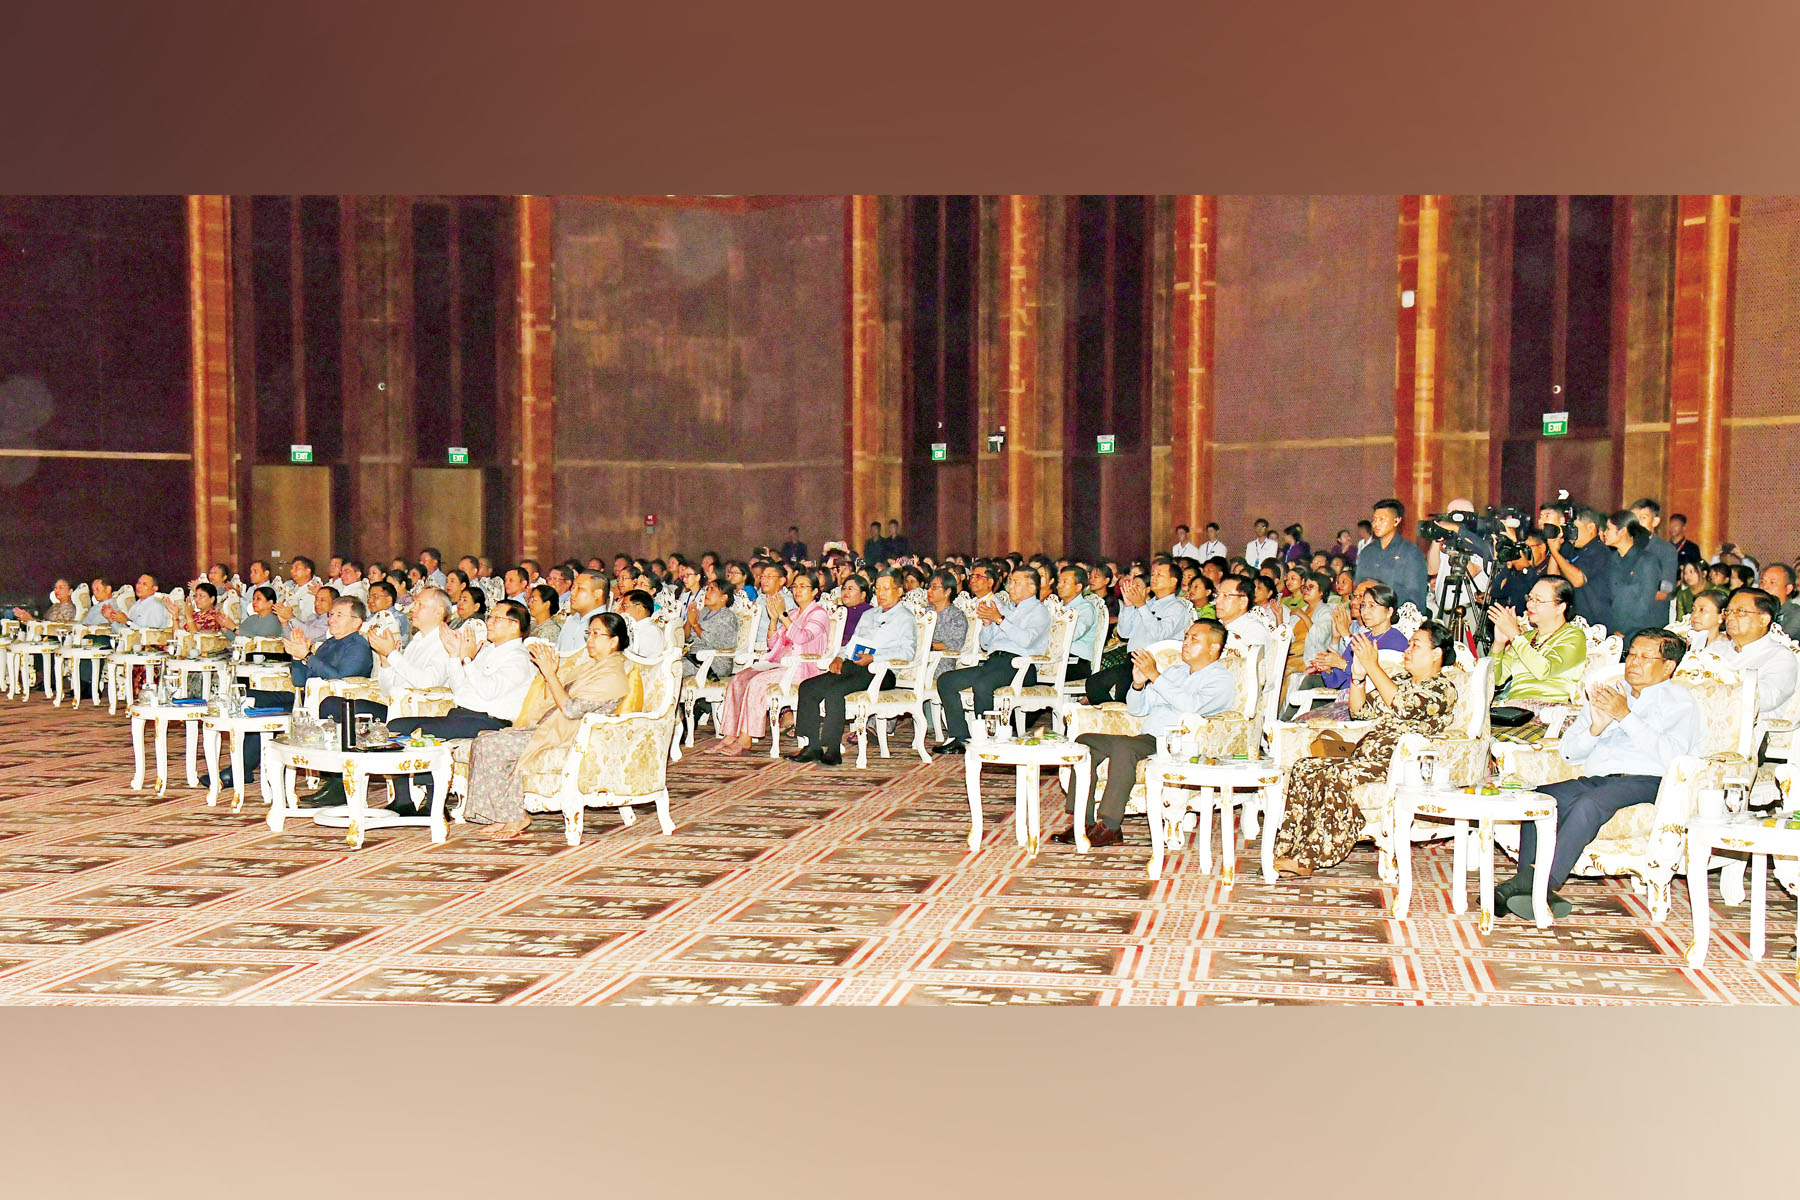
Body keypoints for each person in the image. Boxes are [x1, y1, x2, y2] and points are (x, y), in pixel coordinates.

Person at [1493, 629, 1701, 920]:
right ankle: (1530, 890)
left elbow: (1673, 757)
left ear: (1668, 666)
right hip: (1598, 780)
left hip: (1649, 781)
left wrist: (1626, 716)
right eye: (1632, 654)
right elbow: (1568, 752)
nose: (1634, 662)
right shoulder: (1609, 693)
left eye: (1645, 657)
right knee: (1537, 800)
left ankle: (1535, 885)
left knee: (1589, 805)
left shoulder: (1679, 701)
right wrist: (1596, 728)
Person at [1269, 621, 1461, 877]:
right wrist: (1358, 677)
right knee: (1305, 767)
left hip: (1399, 764)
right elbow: (1359, 711)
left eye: (1415, 645)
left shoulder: (1442, 688)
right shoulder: (1400, 680)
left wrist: (1373, 665)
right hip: (1366, 758)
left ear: (1436, 653)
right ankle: (1286, 851)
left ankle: (1308, 859)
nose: (1407, 650)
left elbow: (1403, 706)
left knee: (1340, 775)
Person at [1056, 619, 1238, 847]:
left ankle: (1110, 825)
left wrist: (1156, 676)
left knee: (1124, 748)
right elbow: (1137, 709)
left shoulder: (1220, 679)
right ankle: (1083, 822)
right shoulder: (1175, 672)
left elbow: (1191, 706)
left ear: (1213, 647)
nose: (1186, 643)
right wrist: (1138, 685)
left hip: (1178, 744)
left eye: (1194, 639)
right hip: (1148, 738)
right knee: (1085, 742)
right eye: (1186, 637)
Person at [463, 612, 637, 839]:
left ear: (613, 641)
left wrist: (549, 673)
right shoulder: (592, 667)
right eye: (589, 633)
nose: (590, 640)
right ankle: (502, 815)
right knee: (484, 739)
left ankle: (516, 817)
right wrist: (550, 674)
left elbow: (571, 710)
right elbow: (557, 697)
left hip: (572, 736)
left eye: (597, 634)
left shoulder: (612, 674)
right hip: (557, 727)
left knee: (492, 745)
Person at [384, 599, 538, 811]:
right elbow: (460, 689)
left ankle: (434, 806)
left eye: (497, 618)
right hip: (462, 716)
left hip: (489, 723)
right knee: (396, 726)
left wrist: (467, 660)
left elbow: (488, 690)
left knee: (420, 731)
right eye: (490, 617)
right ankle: (403, 802)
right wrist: (454, 656)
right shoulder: (488, 651)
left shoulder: (519, 658)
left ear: (514, 625)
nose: (490, 622)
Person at [212, 596, 375, 793]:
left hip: (330, 706)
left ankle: (242, 768)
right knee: (248, 696)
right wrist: (297, 658)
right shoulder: (329, 643)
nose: (332, 619)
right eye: (331, 614)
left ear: (356, 622)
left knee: (261, 706)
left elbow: (338, 678)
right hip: (306, 698)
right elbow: (299, 681)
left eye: (339, 615)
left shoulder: (358, 646)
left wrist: (307, 656)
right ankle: (243, 767)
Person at [790, 571, 916, 767]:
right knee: (809, 686)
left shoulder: (905, 618)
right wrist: (839, 657)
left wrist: (875, 657)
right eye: (878, 589)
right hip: (855, 665)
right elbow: (851, 645)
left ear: (899, 591)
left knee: (835, 691)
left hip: (882, 671)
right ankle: (812, 745)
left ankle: (833, 749)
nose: (881, 593)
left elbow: (908, 652)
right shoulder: (869, 615)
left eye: (886, 589)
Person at [933, 568, 1052, 754]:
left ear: (1031, 587)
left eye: (1016, 582)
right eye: (1010, 581)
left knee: (983, 684)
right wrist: (988, 625)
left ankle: (987, 739)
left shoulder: (1039, 611)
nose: (1010, 586)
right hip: (995, 663)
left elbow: (1026, 640)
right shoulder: (1005, 609)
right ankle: (960, 737)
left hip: (1020, 666)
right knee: (947, 680)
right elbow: (986, 644)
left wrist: (1000, 620)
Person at [717, 570, 832, 755]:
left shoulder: (819, 614)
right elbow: (773, 644)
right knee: (739, 679)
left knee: (757, 683)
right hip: (779, 664)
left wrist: (782, 615)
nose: (797, 590)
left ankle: (745, 739)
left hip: (802, 668)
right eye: (795, 586)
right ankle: (730, 735)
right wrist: (773, 620)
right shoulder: (793, 613)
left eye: (803, 587)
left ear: (814, 592)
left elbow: (802, 638)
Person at [1084, 556, 1188, 704]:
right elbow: (1124, 633)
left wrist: (1141, 606)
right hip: (1132, 659)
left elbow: (1160, 634)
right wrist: (1128, 606)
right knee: (1094, 683)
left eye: (1159, 575)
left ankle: (1122, 713)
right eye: (1153, 574)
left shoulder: (1176, 608)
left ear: (1173, 581)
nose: (1154, 578)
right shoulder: (1147, 603)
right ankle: (1114, 714)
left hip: (1153, 662)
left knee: (1124, 696)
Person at [1489, 577, 1586, 708]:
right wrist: (1499, 643)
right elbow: (1495, 680)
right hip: (1514, 709)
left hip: (1550, 710)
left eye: (1538, 600)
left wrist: (1514, 635)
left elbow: (1543, 671)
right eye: (1530, 598)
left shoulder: (1573, 636)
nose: (1529, 605)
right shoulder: (1526, 637)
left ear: (1560, 607)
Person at [1714, 588, 1799, 718]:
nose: (1730, 617)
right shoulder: (1716, 649)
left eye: (1740, 612)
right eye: (1728, 611)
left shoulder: (1780, 656)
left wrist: (1716, 687)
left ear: (1764, 620)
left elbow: (1768, 698)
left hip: (1753, 727)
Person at [1353, 498, 1429, 614]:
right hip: (1368, 616)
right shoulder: (1367, 552)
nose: (1376, 524)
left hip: (1398, 617)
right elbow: (1358, 586)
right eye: (1374, 519)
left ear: (1396, 521)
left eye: (1382, 519)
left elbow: (1416, 595)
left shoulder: (1410, 552)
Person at [1546, 507, 1613, 633]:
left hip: (1594, 624)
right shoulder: (1573, 549)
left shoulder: (1599, 551)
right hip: (1574, 620)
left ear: (1591, 527)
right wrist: (1554, 550)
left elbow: (1578, 580)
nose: (1571, 534)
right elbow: (1553, 580)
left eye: (1574, 529)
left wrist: (1556, 552)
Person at [1602, 510, 1664, 642]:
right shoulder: (1611, 560)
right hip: (1613, 632)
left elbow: (1645, 602)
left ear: (1622, 531)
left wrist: (1624, 630)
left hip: (1640, 634)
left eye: (1608, 529)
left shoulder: (1647, 561)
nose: (1604, 533)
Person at [682, 580, 740, 681]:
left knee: (674, 667)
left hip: (715, 662)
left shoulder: (727, 616)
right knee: (669, 661)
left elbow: (716, 642)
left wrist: (695, 625)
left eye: (712, 589)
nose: (707, 593)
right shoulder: (704, 611)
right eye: (707, 589)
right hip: (695, 658)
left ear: (724, 597)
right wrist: (689, 621)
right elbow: (686, 637)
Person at [1627, 498, 1680, 607]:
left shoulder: (1666, 550)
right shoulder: (1623, 547)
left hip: (1651, 611)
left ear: (1655, 521)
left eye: (1643, 518)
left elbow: (1667, 589)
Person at [1057, 564, 1104, 682]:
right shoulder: (1057, 606)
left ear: (1078, 587)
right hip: (1058, 658)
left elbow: (1073, 634)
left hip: (1076, 662)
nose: (1059, 586)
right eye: (1059, 581)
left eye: (1065, 582)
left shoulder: (1085, 608)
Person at [924, 569, 971, 682]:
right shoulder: (924, 612)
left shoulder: (956, 616)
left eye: (934, 587)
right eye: (929, 587)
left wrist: (928, 645)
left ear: (947, 591)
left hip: (940, 662)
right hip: (920, 658)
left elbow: (955, 645)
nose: (929, 591)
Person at [555, 571, 607, 655]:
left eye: (579, 588)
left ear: (597, 594)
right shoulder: (571, 620)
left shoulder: (606, 625)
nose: (572, 593)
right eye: (573, 587)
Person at [1757, 563, 1800, 640]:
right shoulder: (1754, 611)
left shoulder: (1796, 615)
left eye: (1772, 582)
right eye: (1762, 582)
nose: (1764, 586)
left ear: (1788, 589)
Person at [618, 589, 665, 659]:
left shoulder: (651, 631)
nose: (620, 611)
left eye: (624, 606)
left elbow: (637, 659)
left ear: (640, 608)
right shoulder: (631, 627)